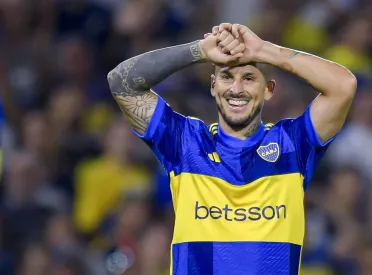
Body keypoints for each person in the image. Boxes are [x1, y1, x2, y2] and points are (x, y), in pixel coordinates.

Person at [107, 23, 356, 275]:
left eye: (248, 78)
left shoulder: (292, 145)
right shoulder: (186, 143)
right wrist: (200, 51)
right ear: (213, 86)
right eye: (227, 77)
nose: (236, 89)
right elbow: (120, 82)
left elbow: (343, 86)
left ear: (268, 90)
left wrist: (264, 50)